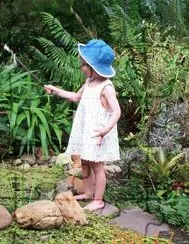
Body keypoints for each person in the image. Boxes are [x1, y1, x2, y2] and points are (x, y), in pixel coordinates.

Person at [44, 39, 121, 211]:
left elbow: (117, 112)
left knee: (97, 166)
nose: (81, 68)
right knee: (85, 162)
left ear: (94, 66)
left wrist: (105, 130)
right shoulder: (89, 83)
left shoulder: (106, 86)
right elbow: (75, 97)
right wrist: (55, 90)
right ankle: (88, 193)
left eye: (84, 65)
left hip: (97, 132)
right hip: (86, 130)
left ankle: (98, 199)